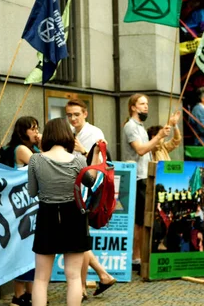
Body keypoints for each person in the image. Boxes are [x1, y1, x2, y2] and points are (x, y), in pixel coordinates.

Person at [28, 118, 102, 306]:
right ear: (67, 135)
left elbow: (32, 192)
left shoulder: (35, 159)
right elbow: (90, 181)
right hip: (74, 215)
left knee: (41, 278)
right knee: (74, 277)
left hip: (46, 215)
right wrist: (94, 156)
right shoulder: (77, 159)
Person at [63, 99, 117, 299]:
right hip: (74, 190)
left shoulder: (95, 133)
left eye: (76, 114)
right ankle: (101, 276)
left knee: (79, 240)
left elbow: (100, 163)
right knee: (79, 240)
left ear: (85, 113)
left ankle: (84, 286)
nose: (73, 118)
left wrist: (82, 150)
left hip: (89, 191)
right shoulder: (68, 131)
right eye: (69, 115)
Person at [121, 94, 171, 268]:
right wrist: (158, 136)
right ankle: (136, 257)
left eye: (147, 104)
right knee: (139, 222)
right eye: (142, 104)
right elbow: (141, 150)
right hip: (137, 177)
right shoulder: (131, 126)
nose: (146, 107)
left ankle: (140, 256)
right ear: (133, 107)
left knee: (142, 221)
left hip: (143, 176)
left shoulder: (140, 127)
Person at [0, 116, 41, 306]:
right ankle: (20, 295)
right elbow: (42, 166)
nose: (36, 132)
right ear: (23, 131)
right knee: (26, 249)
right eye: (33, 129)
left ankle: (26, 294)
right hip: (24, 207)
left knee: (25, 249)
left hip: (19, 207)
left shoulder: (12, 149)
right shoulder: (22, 150)